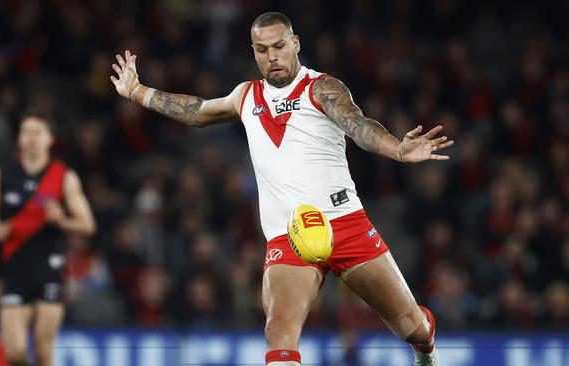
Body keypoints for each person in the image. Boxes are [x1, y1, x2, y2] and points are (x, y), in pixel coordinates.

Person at [111, 12, 452, 366]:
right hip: (289, 237)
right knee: (279, 332)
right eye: (262, 49)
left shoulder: (322, 88)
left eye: (279, 46)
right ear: (254, 51)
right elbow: (199, 111)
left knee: (411, 325)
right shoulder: (245, 96)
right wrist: (138, 91)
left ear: (295, 43)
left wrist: (397, 148)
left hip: (346, 225)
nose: (272, 56)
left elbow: (359, 126)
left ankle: (426, 346)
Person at [0, 111, 96, 366]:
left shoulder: (63, 176)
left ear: (49, 139)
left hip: (49, 268)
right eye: (26, 133)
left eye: (37, 133)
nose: (31, 139)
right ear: (19, 139)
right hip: (15, 266)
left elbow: (87, 225)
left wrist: (61, 220)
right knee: (15, 353)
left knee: (43, 350)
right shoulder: (4, 175)